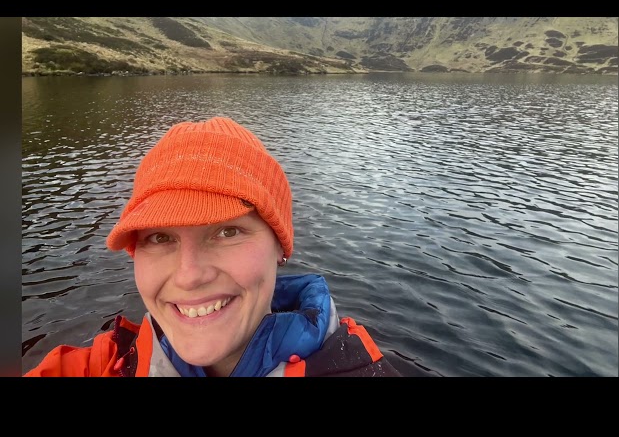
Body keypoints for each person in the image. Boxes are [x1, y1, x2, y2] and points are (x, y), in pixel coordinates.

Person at [24, 116, 402, 377]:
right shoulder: (103, 365)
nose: (189, 276)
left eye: (227, 232)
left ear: (280, 246)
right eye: (159, 237)